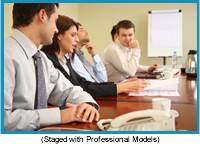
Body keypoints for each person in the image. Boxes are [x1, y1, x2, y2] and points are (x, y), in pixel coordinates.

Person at [4, 3, 99, 131]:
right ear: (42, 15)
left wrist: (86, 103)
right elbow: (4, 120)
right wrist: (58, 115)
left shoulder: (41, 58)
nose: (56, 29)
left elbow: (68, 90)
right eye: (55, 21)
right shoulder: (5, 55)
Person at [41, 15, 150, 98]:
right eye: (73, 35)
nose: (77, 40)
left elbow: (85, 83)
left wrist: (120, 85)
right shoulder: (49, 61)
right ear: (59, 36)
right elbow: (81, 89)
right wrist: (122, 87)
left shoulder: (65, 60)